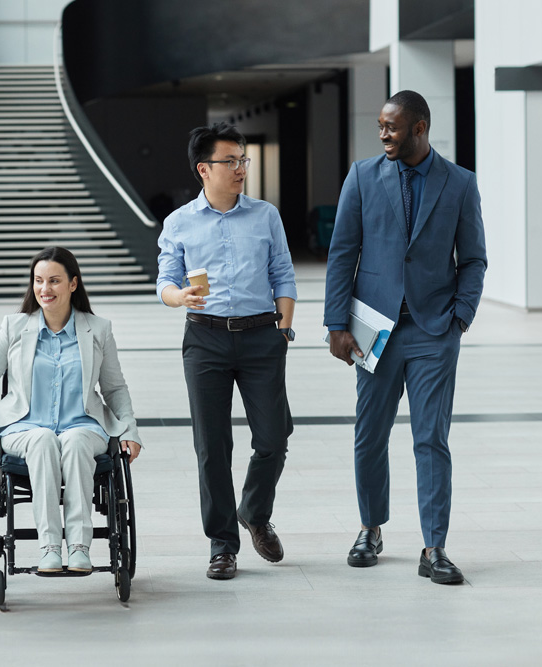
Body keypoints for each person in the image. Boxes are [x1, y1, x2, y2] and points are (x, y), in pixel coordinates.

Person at [324, 90, 487, 584]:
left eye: (391, 126)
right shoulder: (362, 176)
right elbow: (342, 252)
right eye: (379, 126)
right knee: (369, 435)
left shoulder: (459, 183)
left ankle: (434, 546)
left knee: (430, 440)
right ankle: (370, 529)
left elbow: (474, 257)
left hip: (434, 330)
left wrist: (460, 315)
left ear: (419, 127)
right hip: (374, 331)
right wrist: (336, 324)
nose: (383, 134)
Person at [156, 122, 297, 580]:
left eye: (243, 160)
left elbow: (284, 274)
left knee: (274, 437)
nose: (240, 169)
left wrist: (285, 330)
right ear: (204, 169)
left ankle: (254, 511)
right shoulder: (179, 222)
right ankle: (222, 544)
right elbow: (164, 281)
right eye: (230, 161)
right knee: (212, 446)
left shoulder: (265, 215)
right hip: (205, 338)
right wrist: (179, 297)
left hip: (262, 336)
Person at [0, 247, 141, 574]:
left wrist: (129, 430)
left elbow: (114, 388)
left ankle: (78, 547)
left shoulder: (97, 329)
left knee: (74, 441)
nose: (45, 289)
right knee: (43, 438)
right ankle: (49, 547)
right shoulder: (14, 327)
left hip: (84, 426)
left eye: (55, 281)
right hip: (23, 428)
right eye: (39, 281)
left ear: (73, 284)